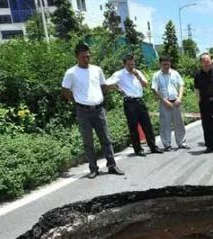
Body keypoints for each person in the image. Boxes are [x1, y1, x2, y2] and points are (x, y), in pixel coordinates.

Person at [61, 42, 124, 179]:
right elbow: (65, 90)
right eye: (83, 57)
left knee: (106, 139)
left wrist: (111, 88)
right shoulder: (71, 73)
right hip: (83, 111)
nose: (86, 59)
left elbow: (103, 86)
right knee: (88, 141)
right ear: (77, 57)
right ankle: (93, 169)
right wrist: (74, 100)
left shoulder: (97, 70)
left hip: (98, 109)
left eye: (88, 56)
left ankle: (112, 166)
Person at [108, 53, 162, 157]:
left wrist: (138, 76)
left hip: (140, 101)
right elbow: (107, 84)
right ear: (124, 64)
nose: (131, 67)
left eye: (133, 64)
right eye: (129, 65)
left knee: (147, 125)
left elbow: (146, 85)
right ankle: (138, 149)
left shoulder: (138, 72)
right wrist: (116, 88)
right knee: (133, 127)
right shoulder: (119, 74)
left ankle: (153, 147)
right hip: (129, 102)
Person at [152, 55, 188, 151]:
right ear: (160, 64)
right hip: (164, 103)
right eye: (164, 64)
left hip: (176, 102)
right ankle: (167, 144)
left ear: (170, 63)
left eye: (168, 64)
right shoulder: (156, 75)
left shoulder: (175, 73)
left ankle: (181, 142)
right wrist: (164, 101)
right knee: (165, 124)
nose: (166, 66)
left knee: (179, 123)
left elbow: (181, 85)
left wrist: (179, 98)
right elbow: (155, 89)